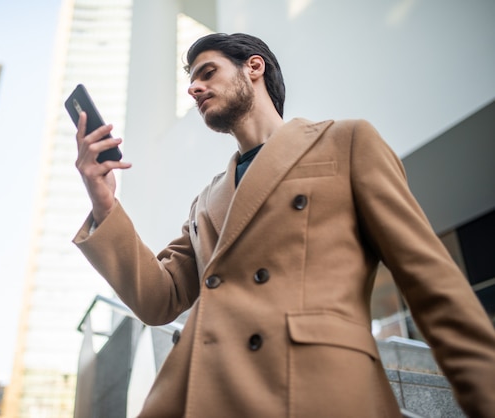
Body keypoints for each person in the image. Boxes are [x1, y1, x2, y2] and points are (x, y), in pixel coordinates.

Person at [72, 33, 495, 417]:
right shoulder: (205, 201)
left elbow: (433, 284)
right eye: (192, 80)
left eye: (208, 72)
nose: (194, 88)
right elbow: (157, 299)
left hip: (315, 392)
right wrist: (104, 200)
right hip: (201, 396)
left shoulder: (346, 142)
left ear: (253, 67)